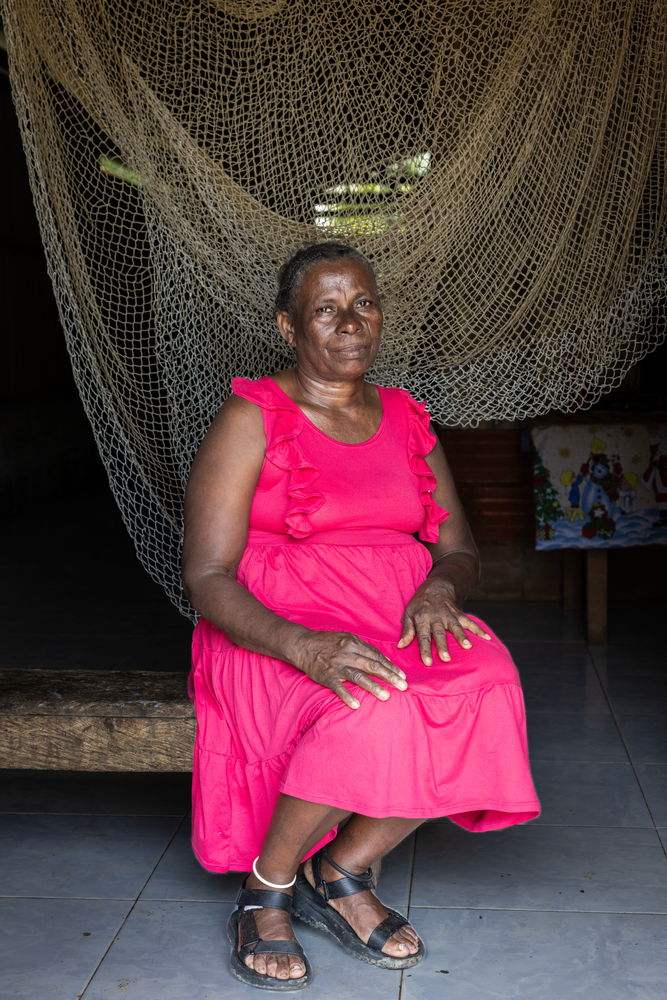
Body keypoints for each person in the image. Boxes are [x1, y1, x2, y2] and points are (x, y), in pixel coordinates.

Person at [182, 242, 540, 991]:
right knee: (376, 704)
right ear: (287, 327)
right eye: (325, 308)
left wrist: (442, 588)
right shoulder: (253, 417)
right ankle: (267, 887)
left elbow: (457, 545)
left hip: (398, 613)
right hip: (278, 628)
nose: (350, 323)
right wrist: (300, 646)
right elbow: (206, 576)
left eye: (364, 304)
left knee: (488, 682)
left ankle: (338, 869)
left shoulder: (407, 416)